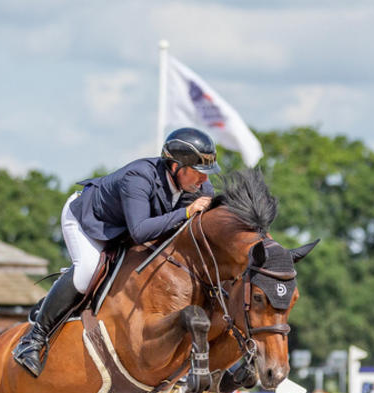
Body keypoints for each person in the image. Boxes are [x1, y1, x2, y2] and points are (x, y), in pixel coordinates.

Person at [12, 127, 220, 377]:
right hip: (89, 222)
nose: (205, 181)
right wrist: (187, 212)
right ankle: (33, 339)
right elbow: (141, 231)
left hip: (123, 231)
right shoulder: (139, 177)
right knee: (87, 271)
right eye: (199, 173)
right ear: (176, 167)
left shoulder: (199, 191)